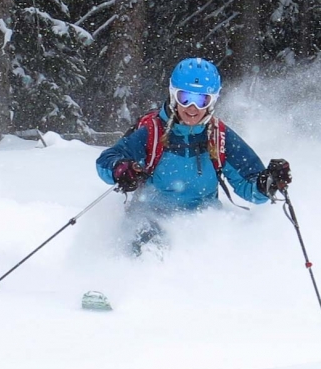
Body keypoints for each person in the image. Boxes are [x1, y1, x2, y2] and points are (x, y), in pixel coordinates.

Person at [96, 58, 292, 254]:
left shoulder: (219, 136)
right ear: (173, 96)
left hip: (202, 220)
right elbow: (107, 161)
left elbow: (249, 185)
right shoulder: (152, 132)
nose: (192, 108)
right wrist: (121, 170)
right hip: (150, 218)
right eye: (185, 97)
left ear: (212, 101)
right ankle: (133, 280)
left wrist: (267, 183)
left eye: (201, 100)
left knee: (223, 251)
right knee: (150, 248)